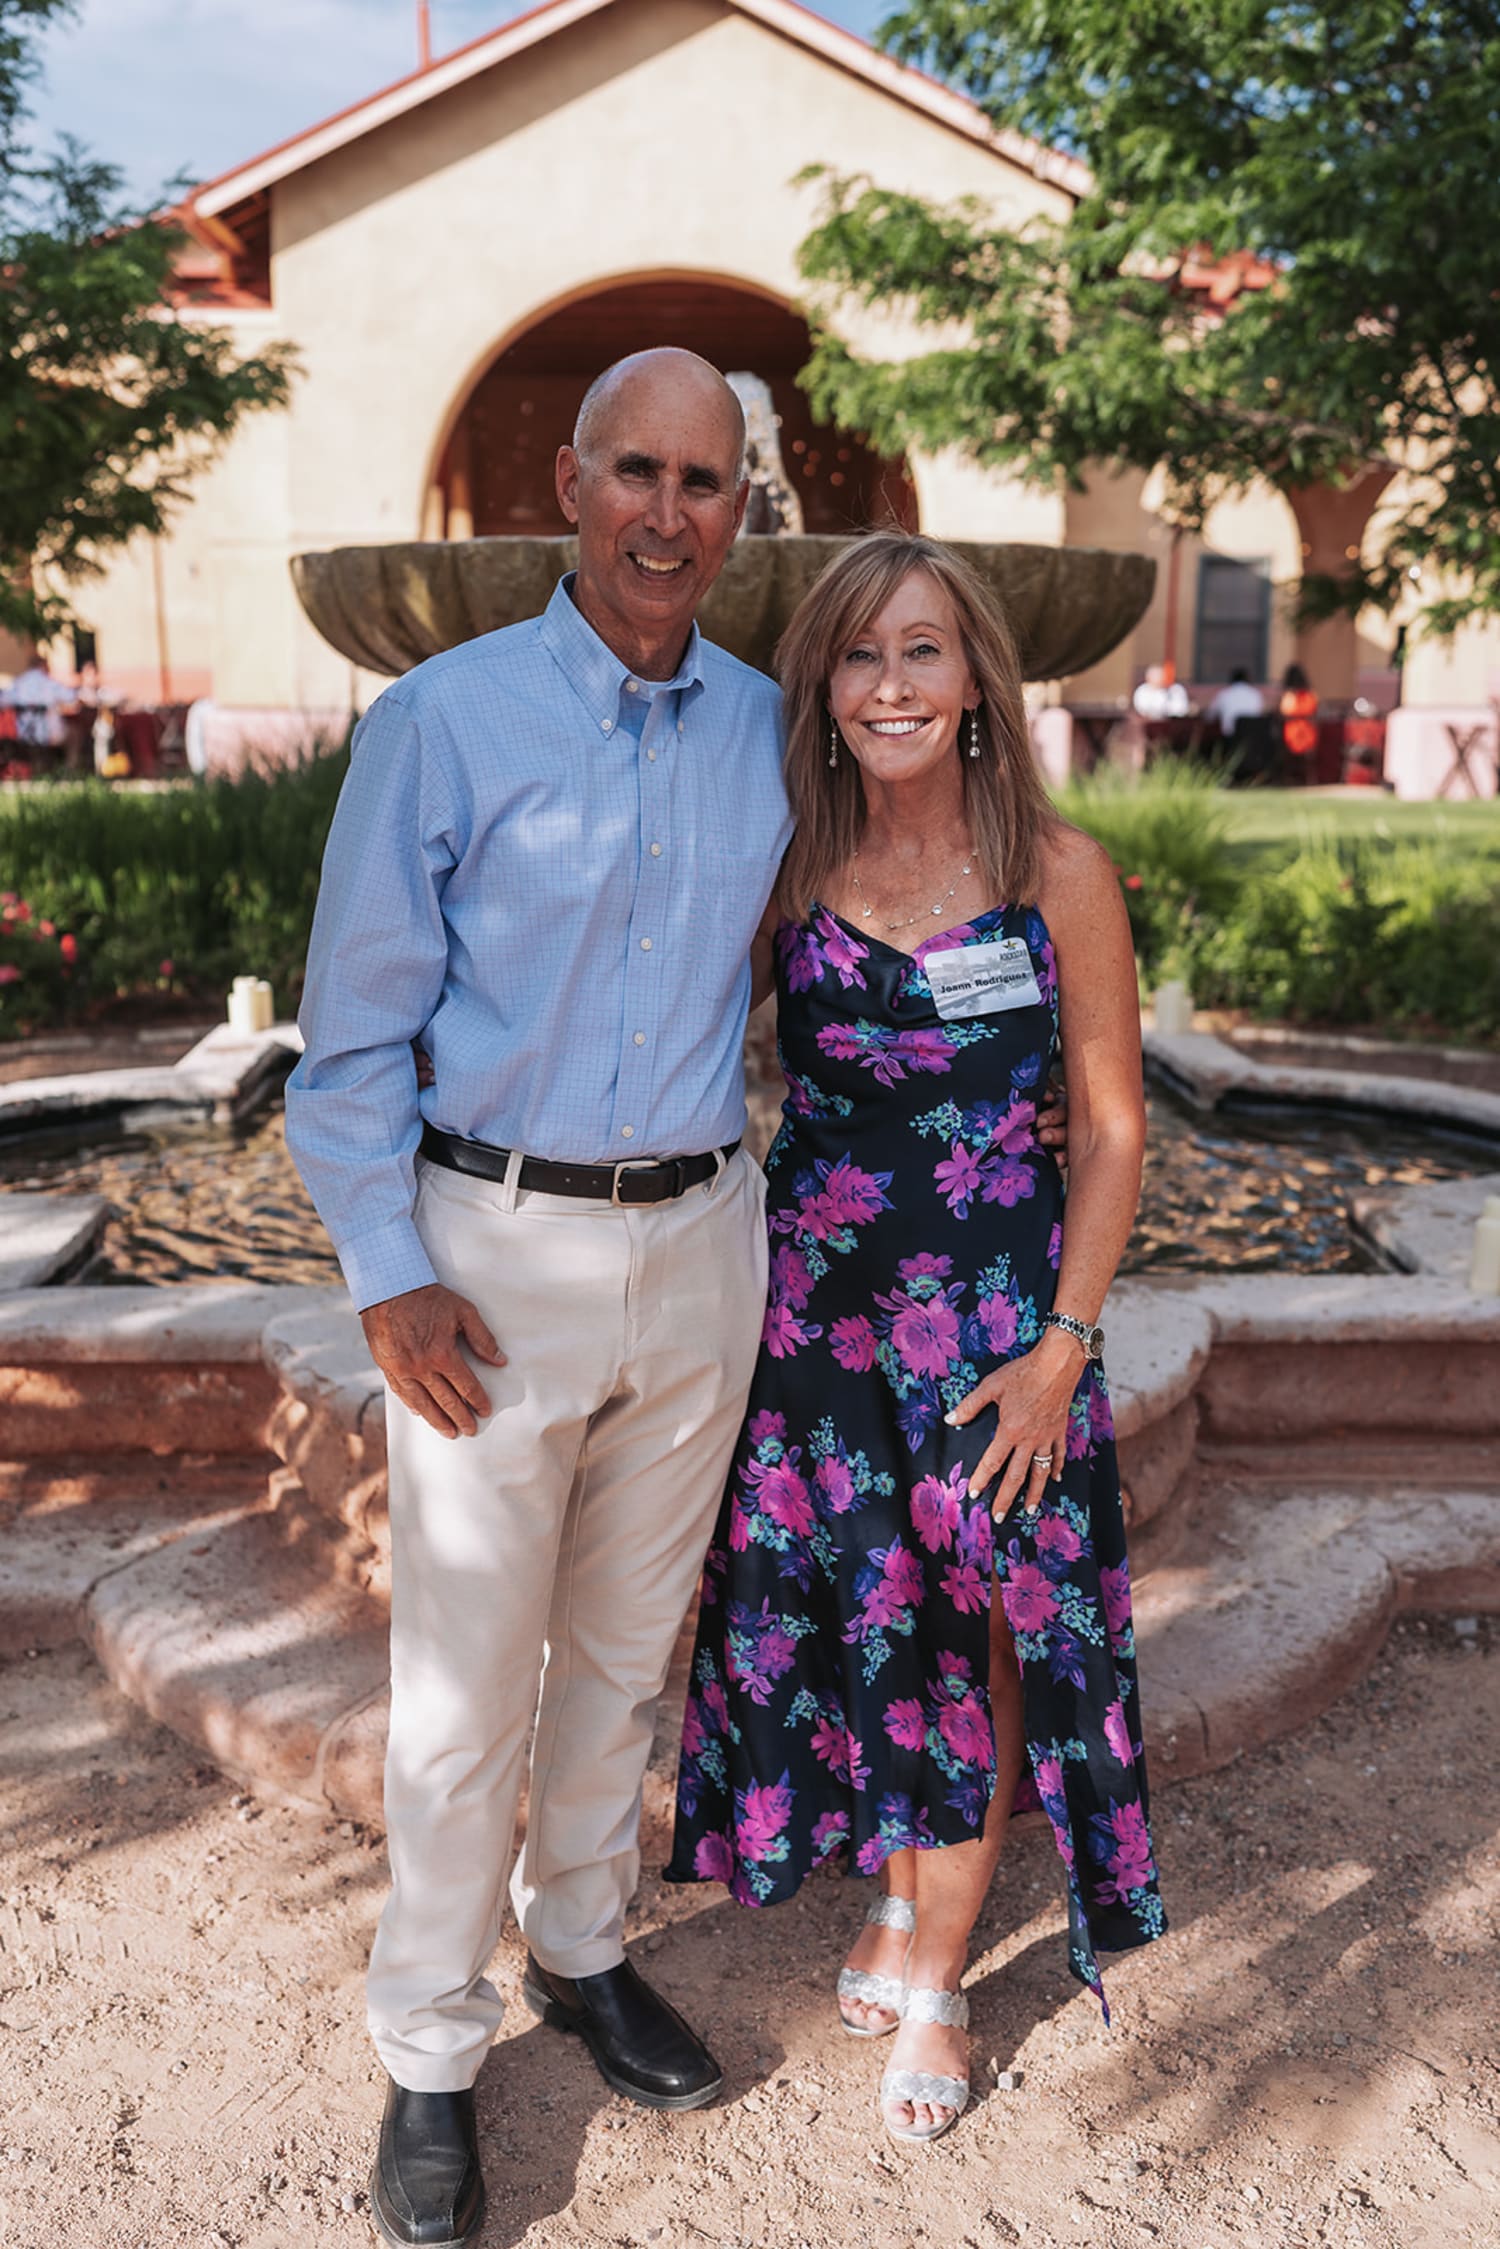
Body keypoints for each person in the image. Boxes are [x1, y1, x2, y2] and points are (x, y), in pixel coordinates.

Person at [286, 350, 790, 2248]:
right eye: (639, 471)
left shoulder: (767, 723)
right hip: (491, 1259)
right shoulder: (443, 718)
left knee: (626, 1646)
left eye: (708, 481)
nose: (671, 512)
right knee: (463, 1681)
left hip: (703, 1238)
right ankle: (428, 2042)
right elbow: (350, 1037)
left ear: (746, 504)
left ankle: (581, 1944)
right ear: (573, 483)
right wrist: (387, 1272)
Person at [667, 532, 1166, 2146]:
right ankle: (899, 1894)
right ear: (822, 685)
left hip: (996, 1328)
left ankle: (941, 1961)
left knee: (974, 1626)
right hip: (815, 1319)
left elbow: (1110, 1128)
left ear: (975, 681)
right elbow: (671, 1045)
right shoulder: (790, 867)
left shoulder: (1059, 870)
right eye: (860, 655)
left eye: (923, 651)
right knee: (866, 1612)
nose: (891, 682)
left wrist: (1065, 1344)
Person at [1278, 661, 1319, 775]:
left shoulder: (1290, 696)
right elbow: (1315, 712)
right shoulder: (1311, 694)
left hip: (1292, 734)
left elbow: (1283, 713)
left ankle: (1286, 776)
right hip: (1309, 734)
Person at [1207, 665, 1263, 735]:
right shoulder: (1255, 694)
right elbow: (1259, 714)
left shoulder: (1224, 693)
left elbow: (1210, 716)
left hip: (1230, 737)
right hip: (1251, 736)